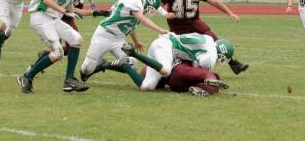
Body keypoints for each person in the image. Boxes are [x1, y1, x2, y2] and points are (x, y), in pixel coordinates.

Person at [16, 0, 92, 94]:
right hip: (41, 16)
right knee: (57, 53)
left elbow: (70, 8)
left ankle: (69, 80)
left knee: (76, 39)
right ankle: (26, 77)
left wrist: (93, 13)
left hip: (52, 17)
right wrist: (64, 11)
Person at [156, 0, 248, 74]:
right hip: (177, 25)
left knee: (213, 39)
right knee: (176, 50)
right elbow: (157, 6)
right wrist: (165, 14)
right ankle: (172, 69)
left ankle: (233, 64)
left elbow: (215, 2)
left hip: (194, 22)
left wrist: (230, 13)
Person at [92, 33, 233, 97]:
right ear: (222, 55)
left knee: (146, 87)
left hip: (164, 46)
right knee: (165, 70)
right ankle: (134, 55)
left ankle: (125, 65)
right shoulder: (211, 56)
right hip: (166, 47)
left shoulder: (208, 40)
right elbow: (197, 70)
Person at [79, 0, 171, 83]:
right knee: (87, 70)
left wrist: (136, 41)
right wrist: (160, 29)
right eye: (152, 9)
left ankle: (104, 65)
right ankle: (93, 67)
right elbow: (144, 20)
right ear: (148, 4)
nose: (150, 12)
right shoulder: (134, 2)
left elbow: (131, 27)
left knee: (131, 63)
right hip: (104, 35)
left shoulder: (137, 7)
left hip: (118, 40)